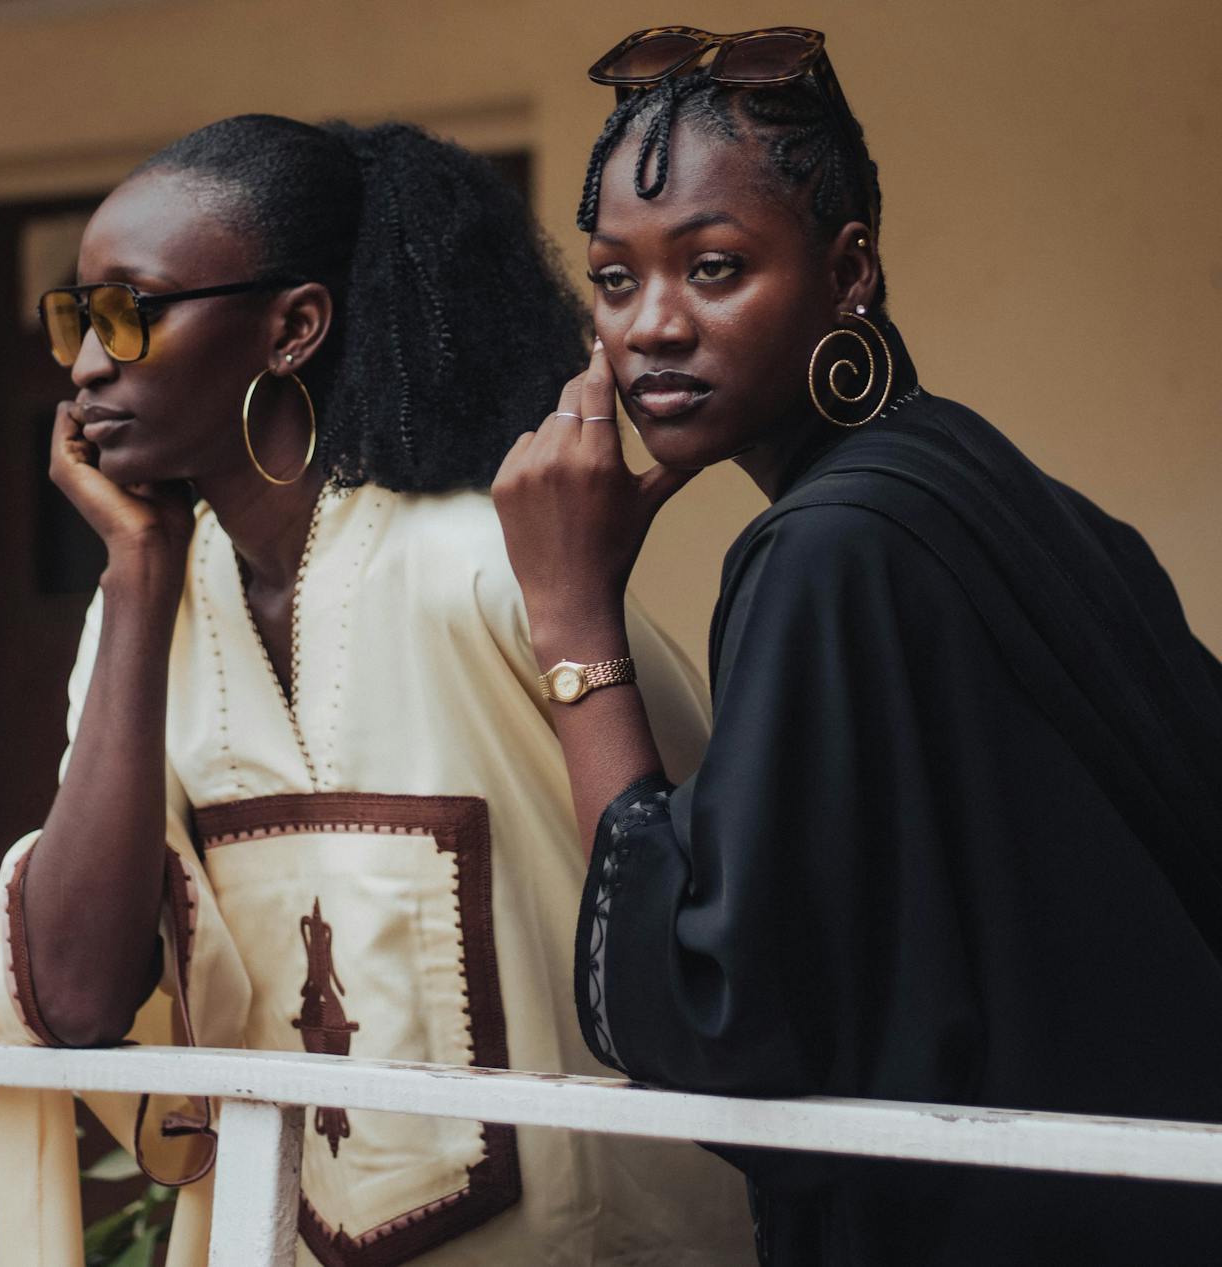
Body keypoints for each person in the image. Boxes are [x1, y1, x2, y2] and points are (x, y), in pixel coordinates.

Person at [491, 26, 1222, 1267]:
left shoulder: (825, 552)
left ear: (848, 273)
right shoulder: (981, 487)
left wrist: (570, 622)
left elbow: (713, 1020)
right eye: (614, 280)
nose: (650, 327)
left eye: (714, 268)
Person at [0, 114, 754, 1267]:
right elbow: (82, 998)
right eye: (76, 316)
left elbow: (714, 900)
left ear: (291, 327)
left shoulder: (490, 564)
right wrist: (137, 578)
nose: (88, 361)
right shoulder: (139, 616)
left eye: (130, 310)